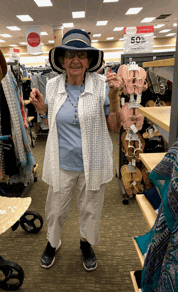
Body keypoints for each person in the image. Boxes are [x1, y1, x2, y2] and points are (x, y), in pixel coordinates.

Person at [29, 29, 123, 271]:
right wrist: (42, 110)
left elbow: (114, 127)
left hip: (94, 163)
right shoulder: (51, 86)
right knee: (55, 211)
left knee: (90, 210)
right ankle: (52, 242)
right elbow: (54, 122)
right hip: (61, 163)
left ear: (90, 60)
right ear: (61, 60)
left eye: (82, 54)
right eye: (70, 54)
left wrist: (113, 97)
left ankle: (85, 244)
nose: (76, 60)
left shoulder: (102, 85)